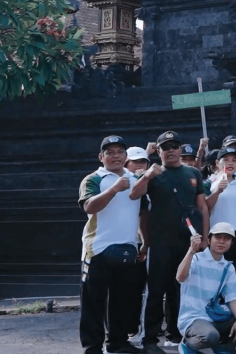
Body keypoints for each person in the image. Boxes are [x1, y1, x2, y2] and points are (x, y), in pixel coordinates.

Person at [129, 131, 209, 354]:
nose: (171, 150)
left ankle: (176, 333)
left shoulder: (193, 172)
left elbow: (202, 207)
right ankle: (150, 339)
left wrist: (205, 238)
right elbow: (134, 195)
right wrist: (146, 176)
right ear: (159, 151)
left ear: (180, 148)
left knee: (181, 289)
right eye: (165, 147)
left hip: (187, 242)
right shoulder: (153, 173)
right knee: (156, 291)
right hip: (160, 242)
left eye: (174, 146)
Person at [79, 136, 145, 354]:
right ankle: (92, 347)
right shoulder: (93, 179)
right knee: (93, 302)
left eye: (120, 152)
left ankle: (118, 343)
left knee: (122, 300)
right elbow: (89, 207)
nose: (115, 156)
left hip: (127, 248)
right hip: (97, 249)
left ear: (126, 156)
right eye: (110, 152)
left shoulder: (135, 179)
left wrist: (145, 242)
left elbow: (143, 212)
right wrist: (114, 189)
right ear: (101, 157)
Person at [175, 223, 236, 354]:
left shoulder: (228, 267)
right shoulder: (196, 258)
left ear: (231, 243)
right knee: (210, 336)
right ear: (209, 240)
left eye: (227, 238)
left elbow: (232, 298)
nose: (222, 241)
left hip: (215, 316)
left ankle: (219, 345)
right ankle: (188, 344)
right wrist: (191, 251)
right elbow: (180, 277)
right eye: (218, 237)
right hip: (193, 318)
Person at [204, 147, 236, 291]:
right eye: (225, 160)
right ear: (217, 163)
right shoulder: (209, 183)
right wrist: (217, 191)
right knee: (216, 272)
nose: (230, 163)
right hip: (218, 233)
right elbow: (205, 207)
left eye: (234, 160)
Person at [124, 146, 151, 349]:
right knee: (124, 290)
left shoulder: (151, 183)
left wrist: (145, 243)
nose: (140, 165)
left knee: (140, 289)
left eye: (143, 161)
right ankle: (125, 330)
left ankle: (135, 328)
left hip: (142, 243)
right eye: (136, 162)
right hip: (122, 243)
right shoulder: (122, 182)